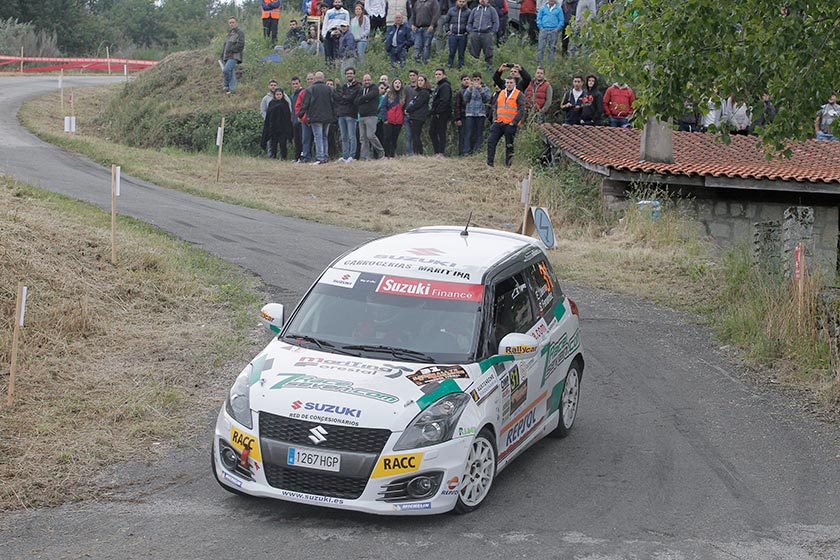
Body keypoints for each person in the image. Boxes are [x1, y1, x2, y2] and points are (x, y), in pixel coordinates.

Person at [298, 71, 335, 165]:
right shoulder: (329, 89)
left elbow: (305, 103)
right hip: (328, 117)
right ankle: (325, 156)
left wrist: (300, 115)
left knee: (318, 137)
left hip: (315, 117)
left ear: (315, 78)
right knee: (324, 137)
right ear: (323, 78)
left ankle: (320, 157)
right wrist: (334, 115)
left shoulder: (310, 89)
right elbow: (333, 102)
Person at [487, 76, 525, 167]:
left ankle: (508, 165)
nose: (509, 84)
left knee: (509, 145)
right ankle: (490, 163)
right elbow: (495, 107)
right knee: (491, 141)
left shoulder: (519, 94)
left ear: (515, 83)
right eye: (507, 82)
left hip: (510, 124)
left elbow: (521, 109)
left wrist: (514, 122)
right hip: (499, 122)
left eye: (511, 82)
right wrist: (495, 119)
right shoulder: (501, 93)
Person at [356, 74, 387, 160]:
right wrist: (364, 100)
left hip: (371, 116)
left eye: (368, 80)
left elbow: (369, 96)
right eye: (365, 80)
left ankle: (381, 151)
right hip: (361, 116)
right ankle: (365, 156)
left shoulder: (374, 88)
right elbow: (356, 101)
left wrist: (362, 100)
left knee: (370, 135)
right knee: (363, 138)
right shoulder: (361, 90)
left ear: (371, 80)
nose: (367, 82)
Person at [336, 67, 361, 163]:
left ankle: (352, 155)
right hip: (342, 113)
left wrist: (344, 98)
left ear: (354, 75)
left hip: (351, 114)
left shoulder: (358, 87)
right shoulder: (344, 86)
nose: (349, 75)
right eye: (347, 73)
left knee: (352, 136)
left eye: (351, 73)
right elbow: (339, 97)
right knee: (344, 137)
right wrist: (344, 97)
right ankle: (345, 155)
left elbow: (351, 98)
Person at [463, 71, 491, 155]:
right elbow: (465, 99)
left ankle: (477, 151)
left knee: (479, 133)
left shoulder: (485, 89)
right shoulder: (469, 88)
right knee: (468, 133)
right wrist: (470, 89)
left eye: (478, 79)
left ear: (481, 80)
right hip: (470, 113)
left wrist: (480, 89)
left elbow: (487, 99)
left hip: (480, 113)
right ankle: (466, 151)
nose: (476, 81)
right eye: (474, 79)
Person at [467, 0, 499, 72]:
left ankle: (489, 69)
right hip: (475, 34)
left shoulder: (492, 10)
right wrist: (471, 31)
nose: (482, 0)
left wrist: (492, 32)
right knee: (474, 53)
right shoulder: (475, 10)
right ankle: (474, 69)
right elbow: (469, 22)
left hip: (487, 34)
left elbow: (496, 22)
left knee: (488, 52)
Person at [261, 88, 292, 159]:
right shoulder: (271, 103)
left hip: (283, 128)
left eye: (280, 94)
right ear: (274, 95)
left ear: (282, 95)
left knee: (283, 144)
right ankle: (273, 156)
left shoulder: (285, 104)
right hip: (273, 128)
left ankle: (283, 157)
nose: (278, 96)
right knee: (273, 144)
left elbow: (288, 116)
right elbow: (269, 116)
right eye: (277, 94)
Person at [380, 77, 407, 157]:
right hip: (388, 120)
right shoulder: (388, 94)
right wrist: (385, 118)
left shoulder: (403, 95)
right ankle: (385, 155)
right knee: (386, 138)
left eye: (399, 83)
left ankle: (392, 155)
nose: (397, 84)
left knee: (394, 139)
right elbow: (383, 106)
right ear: (393, 84)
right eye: (396, 83)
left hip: (398, 121)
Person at [405, 74, 431, 155]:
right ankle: (417, 152)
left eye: (421, 80)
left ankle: (418, 153)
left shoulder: (424, 92)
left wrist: (408, 110)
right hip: (415, 116)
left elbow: (417, 104)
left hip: (418, 116)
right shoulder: (419, 92)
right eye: (419, 80)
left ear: (425, 82)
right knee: (415, 135)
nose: (420, 82)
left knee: (416, 135)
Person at [430, 68, 452, 157]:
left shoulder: (445, 86)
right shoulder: (439, 86)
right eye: (436, 74)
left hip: (442, 113)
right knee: (432, 132)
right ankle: (437, 151)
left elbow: (445, 100)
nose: (437, 76)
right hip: (436, 113)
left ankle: (440, 152)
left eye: (439, 74)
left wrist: (439, 112)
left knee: (441, 132)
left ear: (444, 75)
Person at [444, 0, 471, 70]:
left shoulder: (468, 12)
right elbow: (446, 21)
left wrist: (468, 31)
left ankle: (461, 67)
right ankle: (449, 66)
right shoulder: (451, 10)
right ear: (456, 2)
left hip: (463, 35)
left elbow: (470, 22)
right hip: (453, 35)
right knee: (451, 52)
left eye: (463, 1)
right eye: (460, 1)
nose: (461, 3)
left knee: (461, 53)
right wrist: (447, 30)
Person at [295, 73, 316, 162]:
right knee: (305, 140)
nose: (310, 81)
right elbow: (298, 106)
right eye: (308, 79)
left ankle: (318, 156)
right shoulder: (303, 92)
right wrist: (300, 116)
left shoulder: (317, 91)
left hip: (316, 119)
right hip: (305, 120)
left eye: (311, 79)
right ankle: (306, 157)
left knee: (317, 139)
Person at [221, 17, 245, 94]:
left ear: (236, 23)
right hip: (226, 56)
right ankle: (233, 89)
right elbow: (225, 45)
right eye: (230, 23)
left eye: (233, 22)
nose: (231, 24)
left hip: (235, 56)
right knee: (230, 72)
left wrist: (232, 49)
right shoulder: (229, 34)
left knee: (226, 70)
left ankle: (226, 85)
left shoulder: (240, 33)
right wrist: (222, 54)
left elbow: (241, 44)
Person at [412, 0, 440, 65]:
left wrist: (432, 25)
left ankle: (425, 63)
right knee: (417, 46)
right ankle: (417, 63)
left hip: (428, 28)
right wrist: (413, 24)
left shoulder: (433, 2)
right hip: (418, 28)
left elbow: (436, 14)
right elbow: (414, 13)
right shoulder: (418, 2)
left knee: (426, 46)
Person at [536, 0, 563, 64]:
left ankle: (550, 64)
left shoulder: (559, 9)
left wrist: (557, 28)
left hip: (553, 30)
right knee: (541, 47)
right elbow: (539, 19)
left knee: (552, 48)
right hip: (544, 30)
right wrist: (541, 27)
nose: (551, 1)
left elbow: (561, 20)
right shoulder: (542, 8)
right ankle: (539, 63)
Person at [452, 73, 470, 155]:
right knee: (462, 134)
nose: (466, 81)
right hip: (462, 116)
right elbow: (457, 106)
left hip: (470, 115)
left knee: (469, 134)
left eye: (467, 79)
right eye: (464, 80)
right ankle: (461, 152)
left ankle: (468, 151)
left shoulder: (473, 90)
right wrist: (458, 118)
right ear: (462, 81)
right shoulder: (460, 92)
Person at [404, 69, 419, 155]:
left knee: (415, 135)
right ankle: (409, 154)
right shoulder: (406, 88)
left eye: (414, 75)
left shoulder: (420, 88)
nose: (412, 77)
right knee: (408, 135)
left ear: (417, 76)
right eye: (410, 75)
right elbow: (403, 100)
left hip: (416, 115)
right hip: (407, 115)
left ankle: (416, 153)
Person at [290, 76, 305, 162]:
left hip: (301, 120)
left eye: (296, 83)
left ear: (300, 83)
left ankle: (303, 156)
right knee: (296, 140)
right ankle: (297, 157)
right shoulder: (293, 95)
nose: (295, 85)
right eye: (293, 84)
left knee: (302, 139)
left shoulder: (303, 92)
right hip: (294, 120)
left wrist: (301, 117)